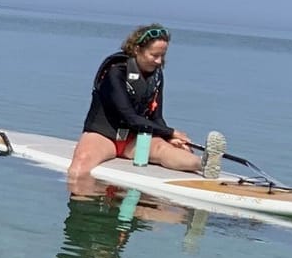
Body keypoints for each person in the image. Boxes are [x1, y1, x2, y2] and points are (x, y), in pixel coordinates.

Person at [66, 23, 201, 189]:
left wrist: (170, 138)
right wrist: (171, 132)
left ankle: (206, 164)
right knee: (79, 167)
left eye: (162, 56)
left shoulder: (156, 76)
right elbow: (129, 117)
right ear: (137, 50)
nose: (159, 61)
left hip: (136, 140)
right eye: (154, 55)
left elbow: (156, 117)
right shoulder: (115, 72)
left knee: (189, 160)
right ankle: (83, 210)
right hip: (103, 136)